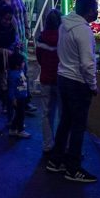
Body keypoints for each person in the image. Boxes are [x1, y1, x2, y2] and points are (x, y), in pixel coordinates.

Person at [46, 0, 100, 183]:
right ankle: (73, 167)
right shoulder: (83, 31)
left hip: (63, 77)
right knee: (78, 126)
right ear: (89, 9)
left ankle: (56, 160)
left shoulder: (65, 24)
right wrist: (93, 85)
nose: (97, 11)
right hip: (78, 82)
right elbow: (87, 64)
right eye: (96, 7)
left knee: (65, 122)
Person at [35, 9, 62, 156]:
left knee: (46, 113)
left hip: (45, 78)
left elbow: (39, 59)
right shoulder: (63, 38)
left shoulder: (41, 39)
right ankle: (63, 144)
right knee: (63, 113)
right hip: (60, 80)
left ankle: (47, 144)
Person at [5, 52, 31, 139]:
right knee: (20, 114)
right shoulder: (13, 75)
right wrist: (13, 99)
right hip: (17, 99)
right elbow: (11, 89)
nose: (24, 63)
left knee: (20, 114)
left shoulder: (21, 71)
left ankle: (13, 129)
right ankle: (20, 130)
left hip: (22, 97)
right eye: (23, 62)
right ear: (17, 65)